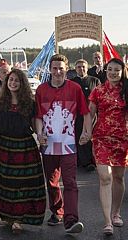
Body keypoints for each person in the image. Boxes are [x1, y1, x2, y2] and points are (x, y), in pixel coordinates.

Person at [35, 54, 92, 234]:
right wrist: (39, 133)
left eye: (61, 68)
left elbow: (85, 113)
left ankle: (71, 220)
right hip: (49, 145)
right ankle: (57, 212)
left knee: (70, 182)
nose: (58, 72)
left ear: (66, 69)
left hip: (69, 145)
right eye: (54, 68)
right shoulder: (41, 90)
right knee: (51, 182)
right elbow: (37, 116)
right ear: (50, 70)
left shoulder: (75, 88)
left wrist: (87, 132)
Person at [0, 69, 46, 233]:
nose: (13, 83)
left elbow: (35, 121)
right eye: (10, 80)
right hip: (4, 147)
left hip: (25, 147)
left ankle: (20, 219)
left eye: (16, 80)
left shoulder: (29, 103)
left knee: (25, 184)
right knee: (6, 183)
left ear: (22, 83)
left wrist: (40, 135)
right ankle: (9, 216)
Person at [88, 58, 128, 236]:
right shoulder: (98, 91)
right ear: (105, 71)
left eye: (116, 70)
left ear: (122, 72)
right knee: (105, 178)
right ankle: (107, 222)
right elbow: (90, 114)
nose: (113, 73)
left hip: (123, 140)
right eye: (110, 69)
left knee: (118, 178)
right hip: (101, 138)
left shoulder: (126, 91)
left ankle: (116, 213)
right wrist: (86, 132)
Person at [71, 59, 101, 171]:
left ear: (87, 67)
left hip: (92, 114)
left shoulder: (95, 81)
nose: (81, 69)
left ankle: (91, 161)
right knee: (79, 136)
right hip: (77, 115)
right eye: (78, 67)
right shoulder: (72, 82)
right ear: (75, 68)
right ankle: (81, 161)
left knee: (90, 137)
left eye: (83, 66)